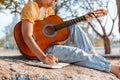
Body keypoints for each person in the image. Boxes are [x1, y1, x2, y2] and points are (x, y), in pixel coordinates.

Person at [21, 0, 120, 78]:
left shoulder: (49, 11)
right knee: (76, 53)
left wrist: (82, 20)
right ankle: (113, 68)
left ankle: (92, 55)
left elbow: (56, 31)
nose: (53, 2)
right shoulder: (32, 7)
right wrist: (43, 58)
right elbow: (27, 36)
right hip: (40, 49)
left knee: (73, 26)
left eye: (56, 0)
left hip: (52, 44)